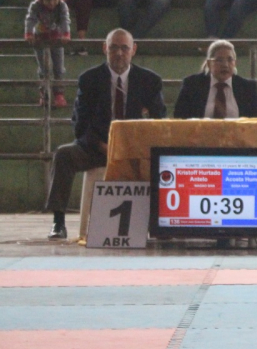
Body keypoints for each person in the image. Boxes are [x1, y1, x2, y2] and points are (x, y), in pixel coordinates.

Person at [45, 29, 166, 240]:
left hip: (135, 152)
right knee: (64, 154)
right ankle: (58, 222)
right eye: (114, 47)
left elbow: (159, 122)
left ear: (133, 50)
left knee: (162, 161)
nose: (119, 53)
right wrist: (103, 146)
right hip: (97, 148)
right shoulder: (89, 79)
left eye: (124, 48)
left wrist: (132, 148)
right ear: (105, 48)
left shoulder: (150, 81)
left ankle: (158, 225)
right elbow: (80, 125)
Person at [174, 39, 257, 119]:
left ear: (235, 63)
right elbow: (179, 118)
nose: (225, 65)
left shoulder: (248, 88)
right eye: (219, 60)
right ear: (209, 63)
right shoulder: (192, 85)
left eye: (229, 60)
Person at [25, 0, 71, 108]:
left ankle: (59, 94)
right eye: (47, 0)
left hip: (56, 40)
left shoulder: (62, 6)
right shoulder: (35, 6)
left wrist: (65, 34)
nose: (51, 3)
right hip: (39, 39)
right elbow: (30, 20)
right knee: (44, 68)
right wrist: (29, 33)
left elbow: (64, 20)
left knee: (59, 68)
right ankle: (44, 94)